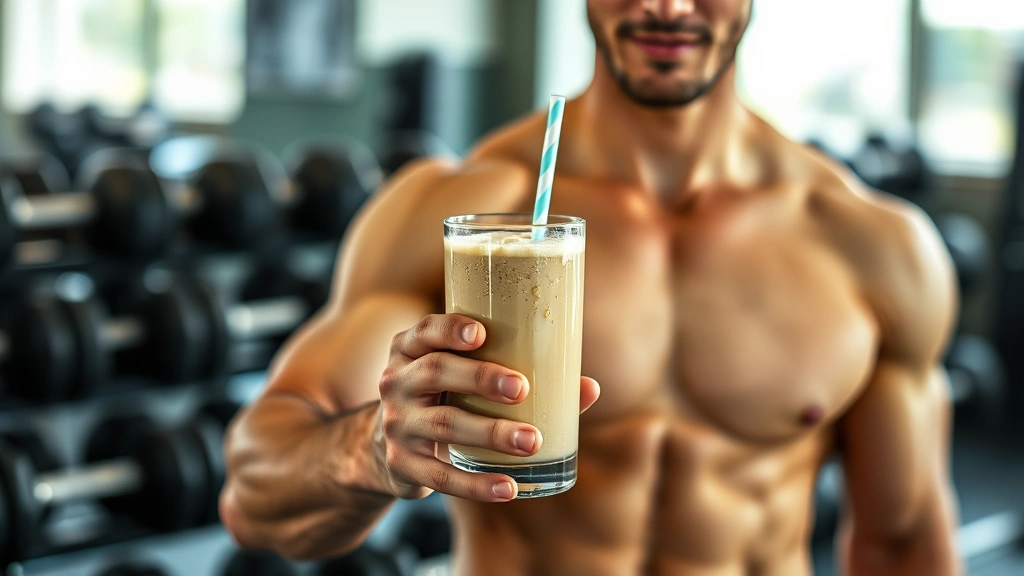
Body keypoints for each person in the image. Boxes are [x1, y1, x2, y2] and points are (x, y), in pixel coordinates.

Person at [219, 1, 962, 574]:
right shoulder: (460, 215)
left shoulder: (870, 245)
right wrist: (371, 449)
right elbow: (254, 496)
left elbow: (903, 545)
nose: (668, 8)